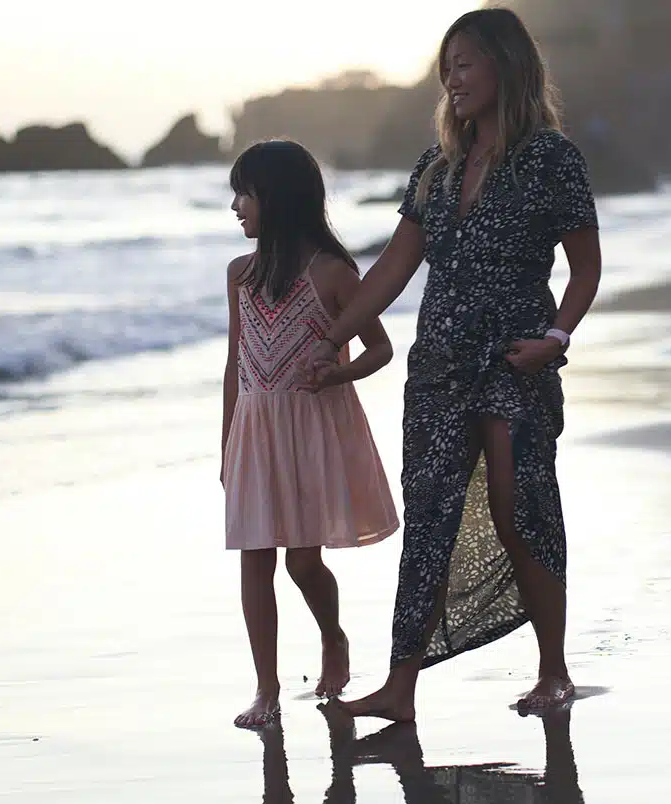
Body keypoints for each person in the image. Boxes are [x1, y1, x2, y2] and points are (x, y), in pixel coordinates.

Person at [303, 7, 602, 720]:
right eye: (446, 68)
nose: (452, 79)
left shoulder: (551, 159)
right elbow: (391, 271)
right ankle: (400, 689)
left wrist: (556, 339)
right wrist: (331, 335)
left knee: (517, 506)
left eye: (464, 63)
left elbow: (586, 269)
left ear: (507, 65)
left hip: (515, 359)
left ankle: (553, 671)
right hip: (437, 363)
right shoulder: (435, 167)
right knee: (431, 516)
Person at [221, 139, 399, 729]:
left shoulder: (332, 273)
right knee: (254, 559)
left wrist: (338, 373)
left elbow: (380, 347)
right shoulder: (239, 275)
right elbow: (234, 362)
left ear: (274, 197)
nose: (236, 207)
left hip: (310, 428)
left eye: (243, 194)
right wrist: (228, 443)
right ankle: (265, 689)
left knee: (302, 560)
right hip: (255, 428)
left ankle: (333, 637)